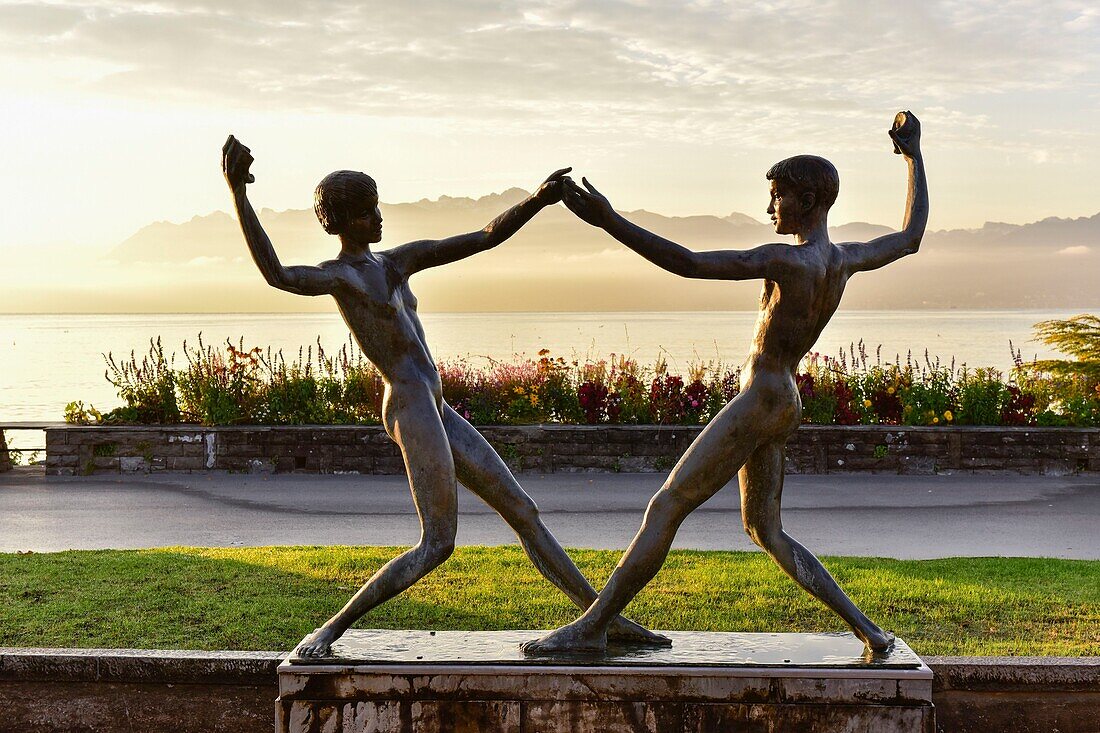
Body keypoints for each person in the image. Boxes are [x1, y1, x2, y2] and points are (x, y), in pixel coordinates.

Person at [221, 136, 665, 657]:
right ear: (344, 222)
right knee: (438, 544)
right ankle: (325, 633)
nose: (379, 218)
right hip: (409, 407)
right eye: (368, 212)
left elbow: (481, 237)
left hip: (435, 404)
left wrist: (537, 200)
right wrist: (238, 192)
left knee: (523, 510)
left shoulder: (396, 263)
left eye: (378, 206)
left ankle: (601, 619)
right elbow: (277, 275)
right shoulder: (339, 277)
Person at [524, 111, 927, 654]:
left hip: (762, 399)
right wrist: (913, 157)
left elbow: (688, 263)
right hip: (784, 399)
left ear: (807, 201)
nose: (769, 208)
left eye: (777, 196)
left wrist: (609, 221)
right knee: (767, 532)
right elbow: (910, 236)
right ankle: (871, 631)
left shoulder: (790, 260)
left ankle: (592, 626)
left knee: (667, 507)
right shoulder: (843, 259)